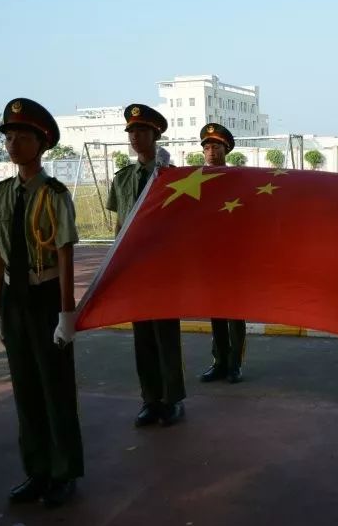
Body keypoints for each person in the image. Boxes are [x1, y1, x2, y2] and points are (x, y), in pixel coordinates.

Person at [0, 97, 84, 508]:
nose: (12, 144)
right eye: (9, 136)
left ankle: (63, 472)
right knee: (25, 389)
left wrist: (66, 314)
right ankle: (36, 471)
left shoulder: (55, 194)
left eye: (22, 137)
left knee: (55, 388)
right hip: (14, 298)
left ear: (41, 145)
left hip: (45, 297)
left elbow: (63, 254)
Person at [105, 103, 187, 428]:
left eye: (142, 131)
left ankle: (173, 399)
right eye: (131, 132)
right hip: (133, 269)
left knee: (166, 335)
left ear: (156, 135)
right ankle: (150, 399)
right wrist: (115, 263)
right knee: (142, 338)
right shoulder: (123, 179)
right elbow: (119, 225)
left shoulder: (171, 176)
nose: (135, 137)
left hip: (162, 269)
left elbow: (181, 224)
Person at [195, 123, 248, 384]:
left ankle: (235, 364)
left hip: (234, 257)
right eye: (206, 147)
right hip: (209, 257)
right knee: (215, 311)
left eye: (216, 146)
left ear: (226, 149)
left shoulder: (238, 179)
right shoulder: (195, 180)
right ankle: (219, 361)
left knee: (235, 313)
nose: (210, 151)